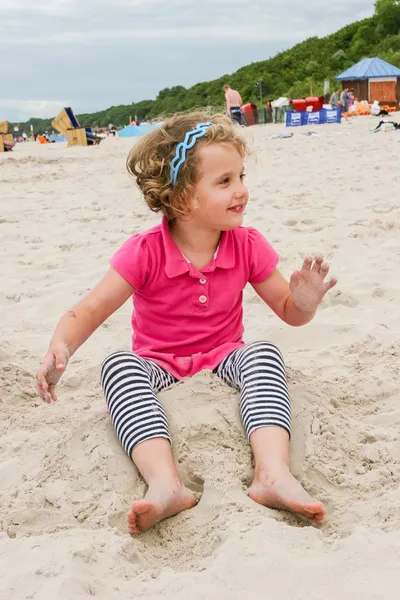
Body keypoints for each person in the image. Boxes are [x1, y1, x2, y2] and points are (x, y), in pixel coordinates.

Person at [36, 111, 337, 535]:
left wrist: (304, 303)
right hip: (158, 361)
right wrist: (60, 345)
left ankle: (272, 473)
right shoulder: (145, 252)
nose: (242, 191)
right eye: (224, 182)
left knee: (265, 353)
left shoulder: (247, 244)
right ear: (180, 198)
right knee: (118, 365)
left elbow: (289, 311)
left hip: (224, 356)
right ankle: (165, 482)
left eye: (241, 176)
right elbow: (88, 311)